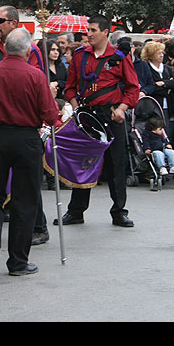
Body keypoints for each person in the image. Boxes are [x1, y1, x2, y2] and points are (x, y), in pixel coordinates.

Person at [0, 28, 59, 277]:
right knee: (25, 200)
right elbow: (50, 116)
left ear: (5, 48)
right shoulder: (36, 75)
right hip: (27, 139)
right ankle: (18, 261)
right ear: (28, 51)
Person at [56, 14, 140, 227]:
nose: (89, 34)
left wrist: (122, 108)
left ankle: (119, 211)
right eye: (88, 30)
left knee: (116, 165)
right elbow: (70, 87)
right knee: (83, 164)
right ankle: (76, 211)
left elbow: (133, 88)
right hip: (87, 117)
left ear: (105, 32)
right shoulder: (79, 56)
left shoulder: (120, 57)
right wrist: (76, 109)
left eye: (93, 30)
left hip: (111, 116)